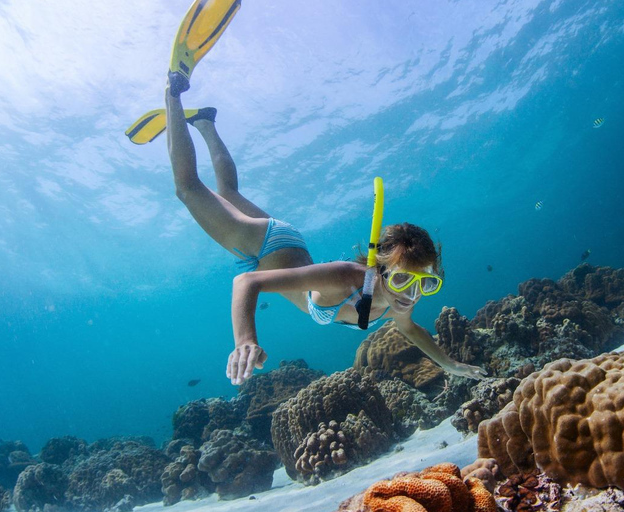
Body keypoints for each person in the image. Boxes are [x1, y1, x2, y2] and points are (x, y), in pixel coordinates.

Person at [165, 84, 487, 386]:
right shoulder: (346, 278)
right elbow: (247, 282)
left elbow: (411, 330)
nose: (413, 295)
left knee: (227, 192)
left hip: (289, 247)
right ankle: (173, 92)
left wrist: (450, 365)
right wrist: (246, 340)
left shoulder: (400, 294)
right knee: (188, 188)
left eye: (426, 284)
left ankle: (206, 122)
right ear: (379, 270)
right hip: (265, 246)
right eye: (404, 280)